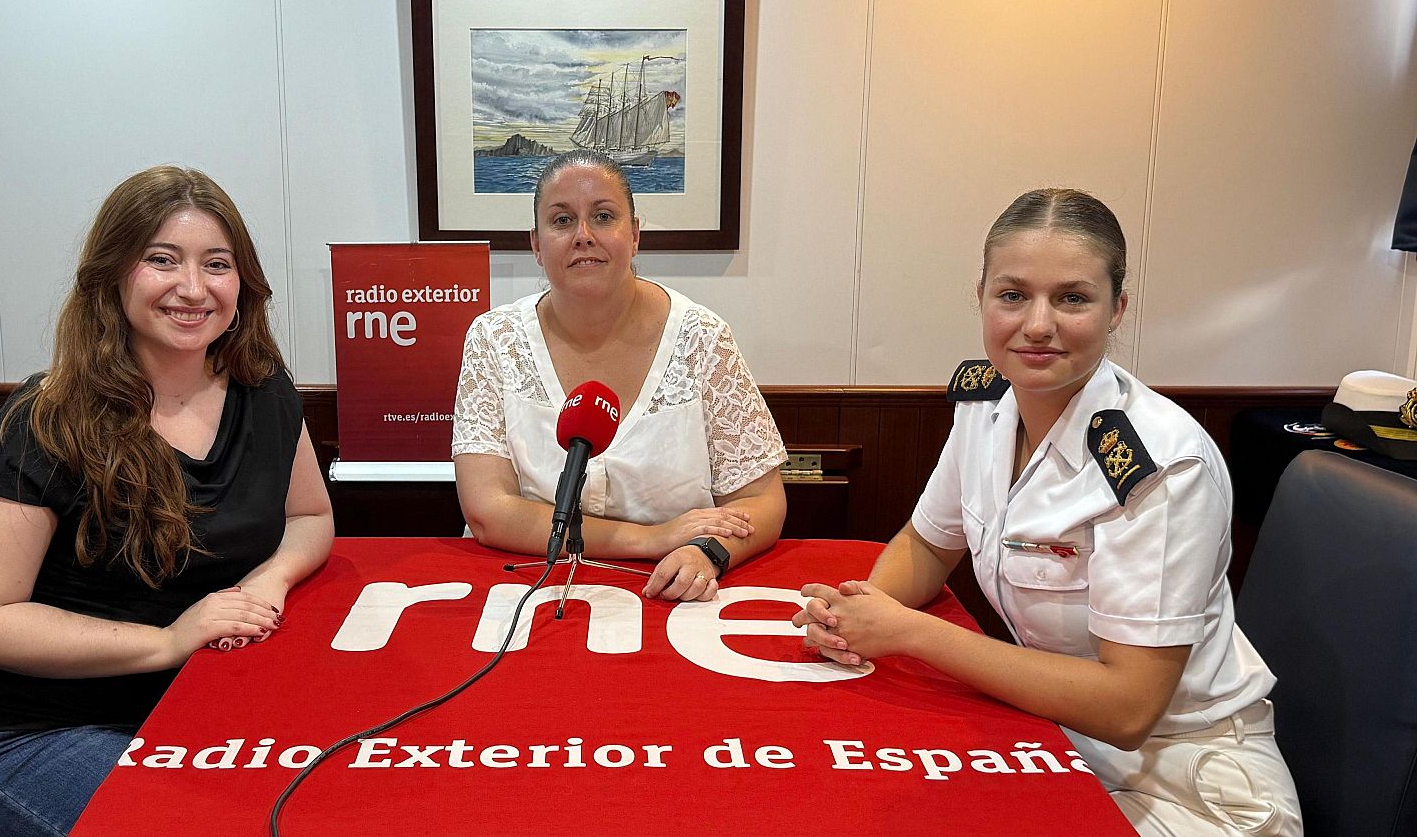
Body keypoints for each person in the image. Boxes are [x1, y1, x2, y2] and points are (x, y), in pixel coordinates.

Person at [794, 189, 1301, 835]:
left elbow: (1127, 707)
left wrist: (905, 632)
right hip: (1059, 744)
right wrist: (848, 619)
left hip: (1186, 779)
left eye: (1072, 298)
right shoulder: (985, 408)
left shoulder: (1161, 464)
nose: (1037, 324)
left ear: (1117, 308)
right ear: (980, 296)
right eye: (1013, 295)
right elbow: (927, 547)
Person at [0, 166, 334, 836]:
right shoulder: (40, 422)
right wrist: (167, 641)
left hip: (202, 716)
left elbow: (309, 517)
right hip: (42, 732)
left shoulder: (263, 390)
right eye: (161, 260)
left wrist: (267, 581)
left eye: (217, 264)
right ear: (113, 275)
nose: (193, 288)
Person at [453, 150, 787, 601]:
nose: (583, 236)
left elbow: (763, 501)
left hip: (672, 596)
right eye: (561, 220)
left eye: (604, 216)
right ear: (536, 244)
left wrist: (706, 551)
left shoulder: (702, 338)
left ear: (634, 235)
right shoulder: (493, 339)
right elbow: (488, 512)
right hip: (526, 589)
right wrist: (650, 539)